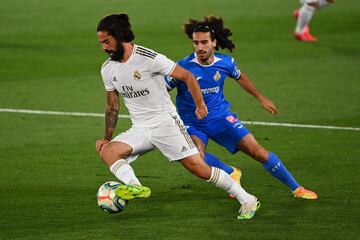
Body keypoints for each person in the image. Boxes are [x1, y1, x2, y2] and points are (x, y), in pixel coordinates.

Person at [95, 13, 260, 220]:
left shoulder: (149, 58)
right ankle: (134, 187)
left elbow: (187, 76)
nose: (104, 47)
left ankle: (247, 198)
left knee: (199, 169)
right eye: (101, 43)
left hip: (166, 124)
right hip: (140, 128)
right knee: (106, 151)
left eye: (107, 42)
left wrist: (200, 105)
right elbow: (112, 106)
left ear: (120, 37)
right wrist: (107, 138)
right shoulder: (108, 69)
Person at [164, 16, 318, 200]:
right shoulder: (182, 67)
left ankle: (297, 188)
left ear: (213, 42)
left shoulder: (225, 63)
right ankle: (230, 172)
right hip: (192, 123)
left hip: (220, 118)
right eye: (196, 43)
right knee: (196, 156)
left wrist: (261, 98)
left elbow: (240, 77)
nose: (199, 47)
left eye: (204, 42)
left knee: (258, 151)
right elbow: (162, 89)